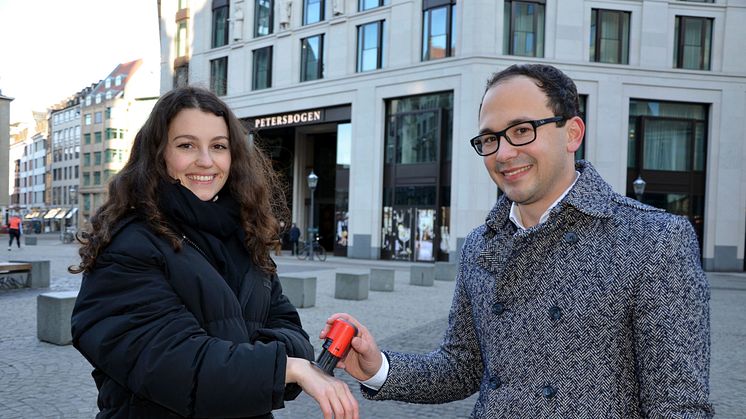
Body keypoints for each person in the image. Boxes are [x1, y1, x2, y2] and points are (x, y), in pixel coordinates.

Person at [323, 64, 713, 417]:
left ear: (572, 133)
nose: (504, 153)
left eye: (522, 130)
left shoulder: (655, 239)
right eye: (490, 138)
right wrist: (378, 368)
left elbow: (680, 406)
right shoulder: (480, 244)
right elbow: (462, 367)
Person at [70, 86, 358, 419]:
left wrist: (255, 360)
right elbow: (175, 366)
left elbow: (293, 334)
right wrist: (281, 365)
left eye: (218, 146)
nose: (206, 161)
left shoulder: (244, 237)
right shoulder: (129, 244)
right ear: (158, 154)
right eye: (186, 145)